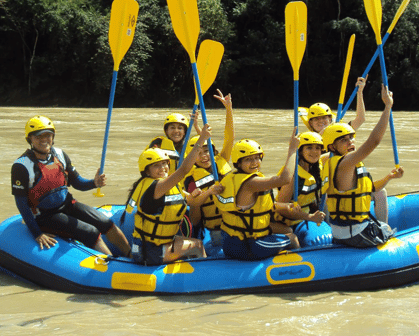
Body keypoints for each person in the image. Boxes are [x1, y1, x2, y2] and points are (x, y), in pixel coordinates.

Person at [11, 116, 131, 256]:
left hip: (67, 205)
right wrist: (37, 233)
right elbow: (21, 203)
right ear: (30, 139)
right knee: (90, 232)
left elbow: (77, 183)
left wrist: (94, 183)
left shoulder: (60, 155)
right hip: (44, 215)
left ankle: (130, 255)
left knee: (106, 223)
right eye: (38, 136)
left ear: (53, 136)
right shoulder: (22, 166)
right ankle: (113, 266)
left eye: (48, 135)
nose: (44, 139)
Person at [322, 85, 405, 247]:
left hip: (343, 231)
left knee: (382, 226)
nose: (350, 142)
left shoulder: (340, 162)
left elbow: (370, 189)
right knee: (388, 231)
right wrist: (388, 106)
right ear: (332, 147)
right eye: (344, 140)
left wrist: (390, 177)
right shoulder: (345, 163)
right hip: (354, 232)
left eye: (351, 138)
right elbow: (374, 141)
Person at [127, 124, 219, 265]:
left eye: (165, 163)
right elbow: (183, 170)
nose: (163, 168)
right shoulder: (157, 186)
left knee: (194, 241)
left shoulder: (164, 185)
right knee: (198, 246)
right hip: (149, 251)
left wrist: (203, 193)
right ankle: (202, 279)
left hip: (151, 245)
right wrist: (201, 140)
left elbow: (192, 202)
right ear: (146, 171)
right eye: (156, 165)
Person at [216, 132, 302, 260]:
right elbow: (285, 179)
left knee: (286, 229)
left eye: (257, 158)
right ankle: (297, 269)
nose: (255, 162)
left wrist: (286, 206)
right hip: (250, 246)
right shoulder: (251, 183)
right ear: (238, 163)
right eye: (248, 159)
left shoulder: (232, 178)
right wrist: (292, 150)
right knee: (293, 238)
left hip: (231, 242)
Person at [184, 90, 234, 242]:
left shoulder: (221, 159)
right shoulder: (191, 179)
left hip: (235, 219)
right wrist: (208, 192)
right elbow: (195, 206)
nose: (204, 156)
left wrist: (229, 111)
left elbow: (229, 137)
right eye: (199, 153)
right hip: (216, 228)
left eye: (207, 151)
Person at [275, 131, 327, 242]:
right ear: (300, 151)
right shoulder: (293, 175)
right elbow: (281, 209)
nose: (314, 152)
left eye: (317, 148)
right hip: (288, 221)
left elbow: (337, 151)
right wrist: (310, 217)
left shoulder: (317, 165)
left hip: (304, 217)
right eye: (309, 148)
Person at [300, 77, 368, 134]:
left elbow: (360, 119)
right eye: (316, 119)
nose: (320, 121)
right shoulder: (306, 138)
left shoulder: (339, 131)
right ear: (310, 123)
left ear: (330, 119)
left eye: (324, 118)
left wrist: (359, 92)